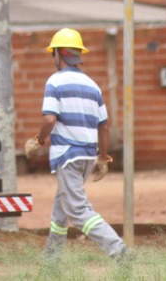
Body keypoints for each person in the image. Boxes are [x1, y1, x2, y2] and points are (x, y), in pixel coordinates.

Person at [24, 28, 128, 265]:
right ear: (78, 54)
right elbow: (105, 126)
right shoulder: (93, 86)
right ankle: (51, 263)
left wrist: (38, 141)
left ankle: (119, 251)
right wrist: (103, 158)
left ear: (58, 54)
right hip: (87, 157)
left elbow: (49, 119)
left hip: (67, 157)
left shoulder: (55, 82)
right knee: (60, 211)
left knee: (79, 212)